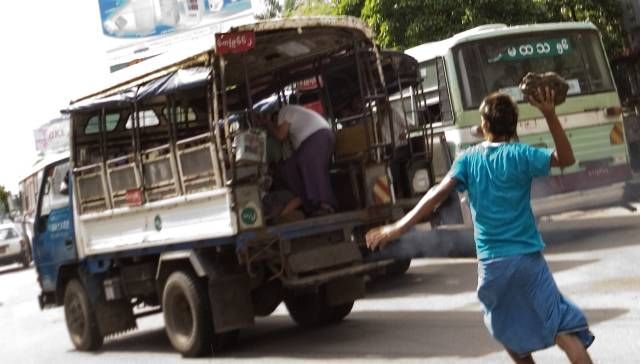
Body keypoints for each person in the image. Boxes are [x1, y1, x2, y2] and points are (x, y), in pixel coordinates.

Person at [366, 89, 594, 364]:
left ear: (484, 126)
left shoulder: (468, 158)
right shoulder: (521, 154)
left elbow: (436, 195)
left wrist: (398, 227)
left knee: (509, 333)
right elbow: (565, 158)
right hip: (526, 261)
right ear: (514, 125)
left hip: (492, 266)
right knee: (564, 330)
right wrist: (549, 114)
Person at [267, 104, 336, 216]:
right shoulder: (296, 118)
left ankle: (325, 204)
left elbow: (280, 135)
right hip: (319, 138)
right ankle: (308, 201)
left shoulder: (284, 112)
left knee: (311, 166)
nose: (277, 126)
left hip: (317, 137)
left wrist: (269, 125)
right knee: (289, 168)